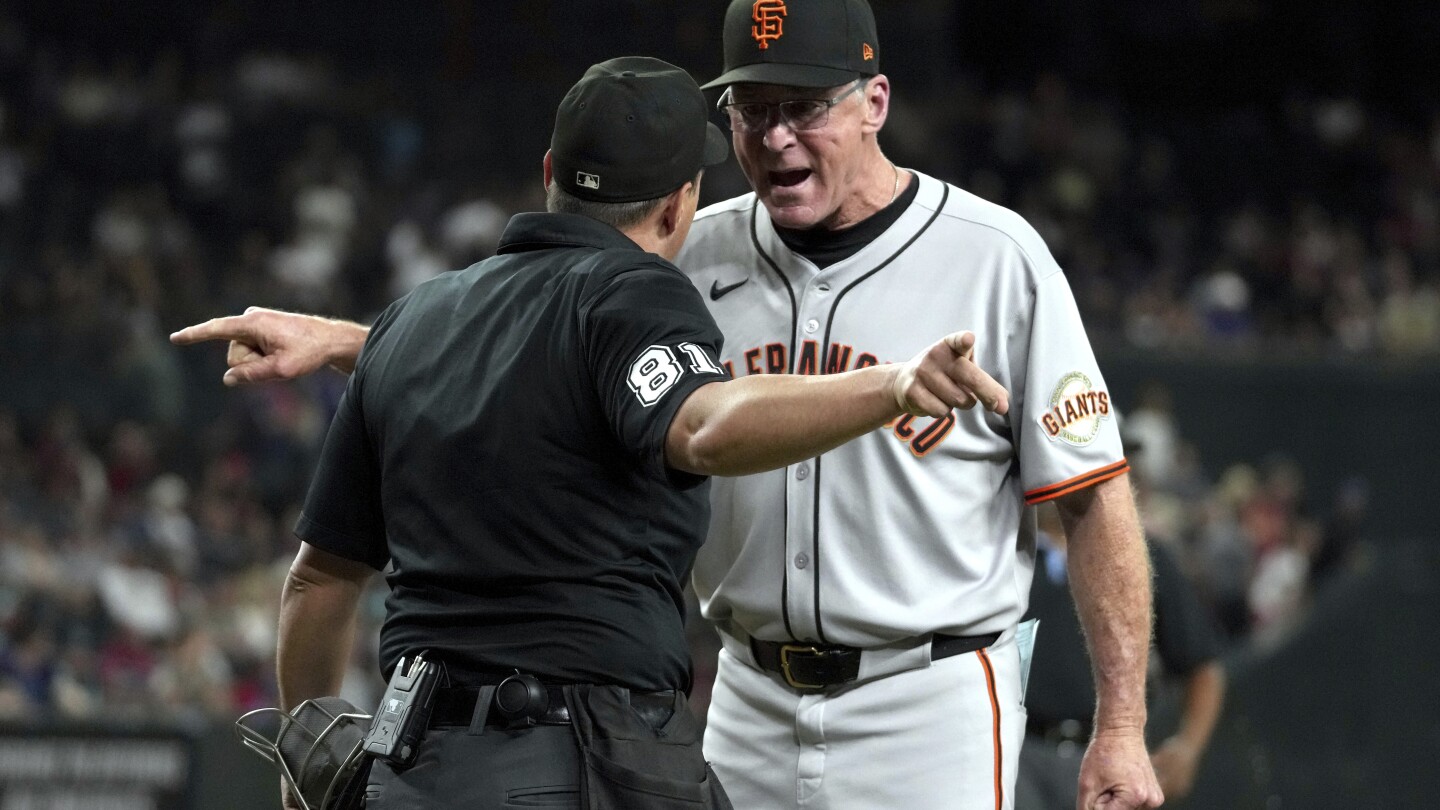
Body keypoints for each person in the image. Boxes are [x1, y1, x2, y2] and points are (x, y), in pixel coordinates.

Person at [173, 2, 1161, 808]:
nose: (773, 137)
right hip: (740, 695)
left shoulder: (996, 258)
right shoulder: (686, 249)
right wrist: (352, 342)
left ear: (875, 101)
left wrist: (1121, 726)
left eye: (804, 106)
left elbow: (1092, 496)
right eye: (750, 109)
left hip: (929, 694)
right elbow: (536, 342)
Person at [1017, 502, 1226, 809]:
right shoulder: (1003, 555)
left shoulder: (1140, 553)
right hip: (1018, 754)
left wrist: (1189, 746)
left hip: (1112, 753)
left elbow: (1202, 666)